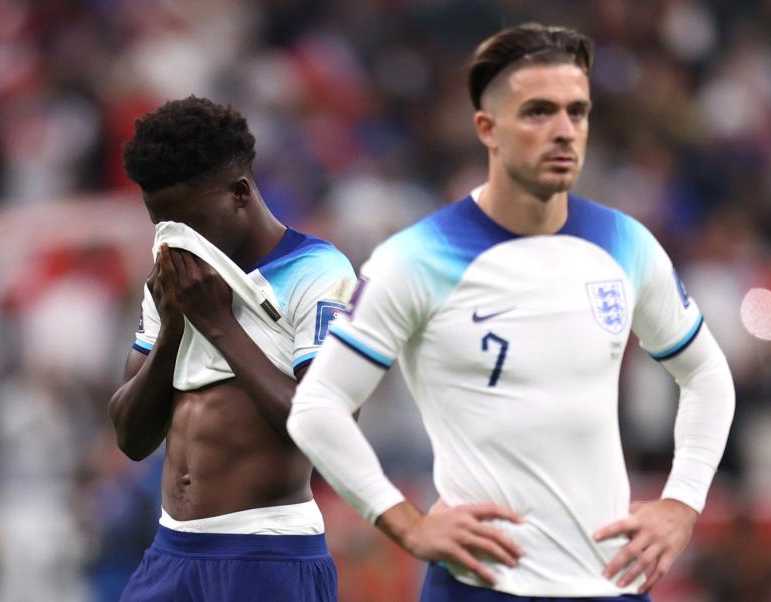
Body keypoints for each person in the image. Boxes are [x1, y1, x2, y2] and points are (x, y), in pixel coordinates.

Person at [287, 23, 735, 601]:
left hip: (613, 585)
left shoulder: (626, 244)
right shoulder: (415, 259)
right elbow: (318, 407)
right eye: (538, 112)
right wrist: (409, 524)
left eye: (578, 112)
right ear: (487, 128)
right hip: (481, 587)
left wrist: (682, 503)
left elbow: (706, 374)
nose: (564, 132)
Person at [108, 96, 354, 601]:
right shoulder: (174, 279)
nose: (176, 241)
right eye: (162, 224)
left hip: (266, 557)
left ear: (239, 193)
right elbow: (131, 438)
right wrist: (176, 326)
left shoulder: (320, 273)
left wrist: (218, 324)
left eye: (190, 223)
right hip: (171, 552)